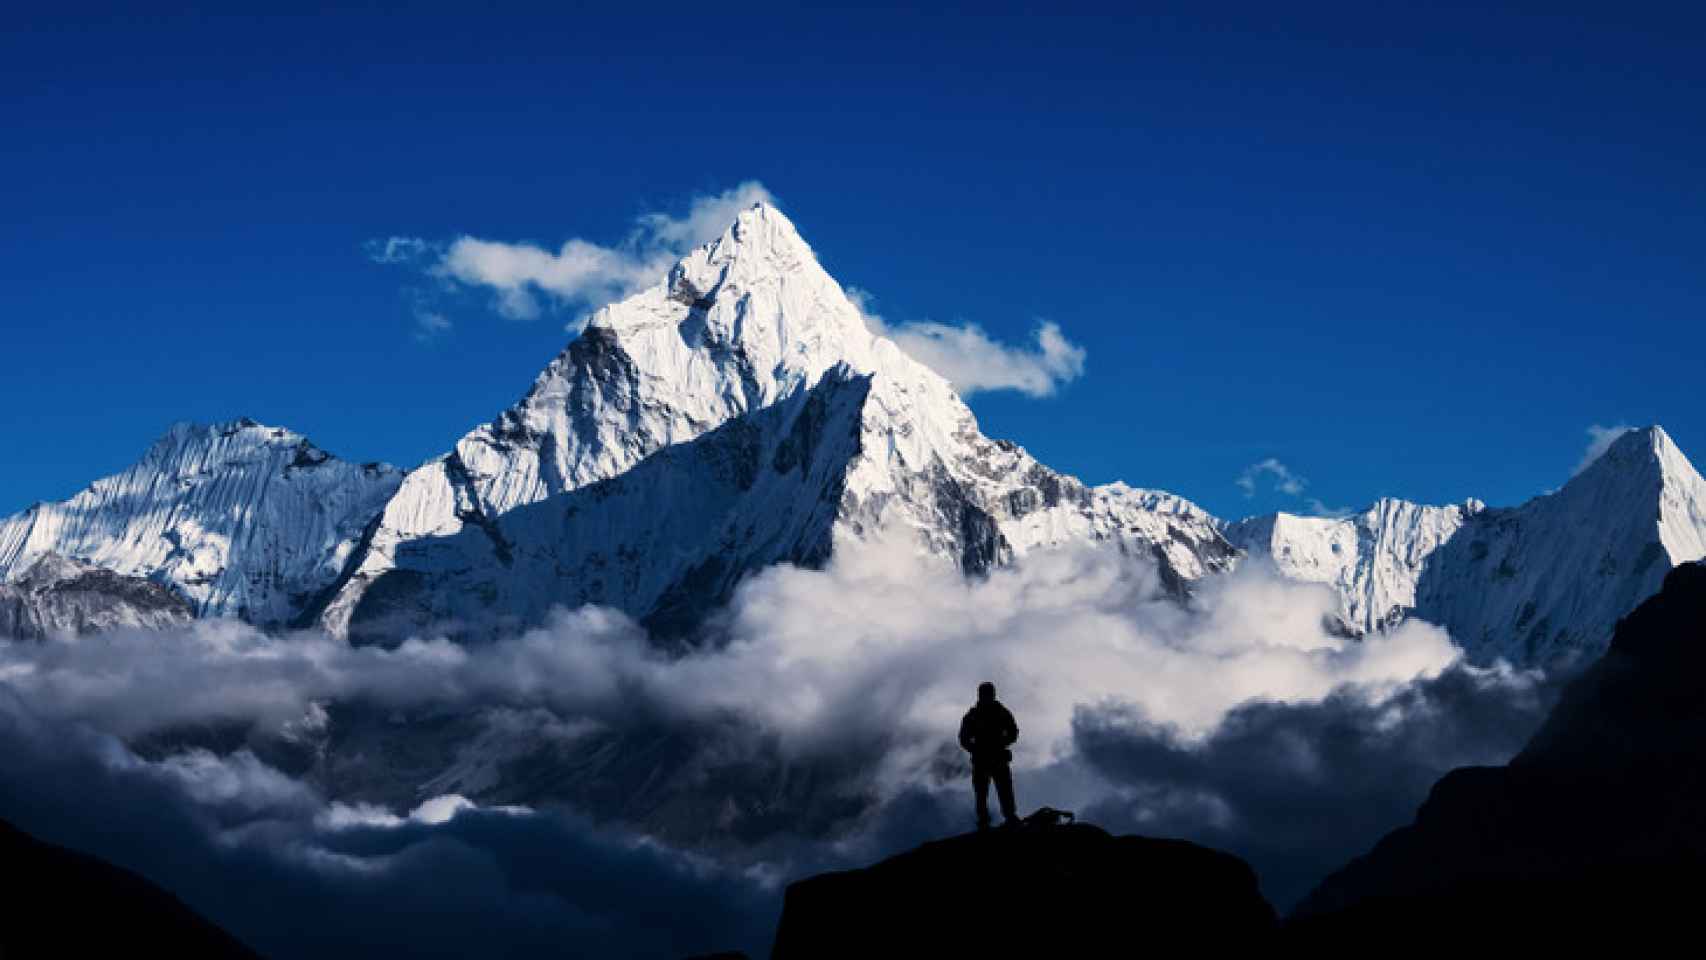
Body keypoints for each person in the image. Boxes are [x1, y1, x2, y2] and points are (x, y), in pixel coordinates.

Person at [958, 681, 1019, 829]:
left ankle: (1009, 817)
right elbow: (963, 738)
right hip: (983, 759)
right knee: (982, 793)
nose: (987, 697)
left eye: (988, 694)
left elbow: (1013, 731)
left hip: (996, 757)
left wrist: (1002, 743)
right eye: (985, 694)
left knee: (1003, 789)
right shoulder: (974, 715)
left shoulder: (1000, 712)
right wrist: (975, 749)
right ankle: (985, 821)